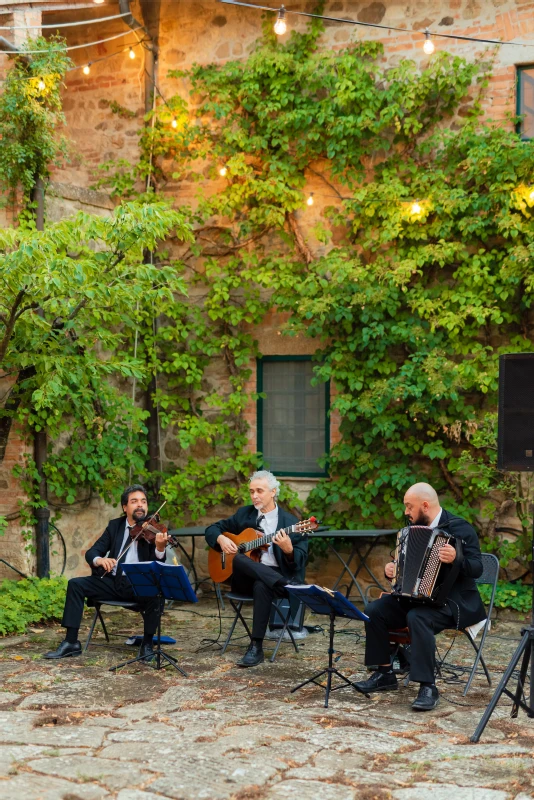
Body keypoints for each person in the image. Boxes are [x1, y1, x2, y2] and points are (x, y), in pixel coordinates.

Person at [354, 482, 486, 711]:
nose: (406, 512)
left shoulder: (460, 529)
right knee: (375, 610)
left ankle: (428, 687)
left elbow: (477, 568)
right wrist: (392, 570)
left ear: (425, 506)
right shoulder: (410, 530)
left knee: (418, 617)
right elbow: (403, 567)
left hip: (452, 600)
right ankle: (384, 673)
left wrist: (457, 558)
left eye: (409, 506)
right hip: (416, 597)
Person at [44, 484, 170, 661]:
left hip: (140, 586)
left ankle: (147, 645)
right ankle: (71, 642)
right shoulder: (115, 526)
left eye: (143, 501)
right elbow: (92, 553)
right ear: (125, 507)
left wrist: (160, 548)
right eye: (134, 501)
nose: (140, 505)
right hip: (114, 582)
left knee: (157, 593)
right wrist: (100, 560)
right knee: (75, 584)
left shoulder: (153, 531)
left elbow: (159, 565)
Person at [205, 470, 308, 667]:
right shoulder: (244, 514)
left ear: (273, 492)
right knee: (240, 561)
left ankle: (256, 647)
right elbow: (212, 529)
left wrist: (288, 551)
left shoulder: (293, 524)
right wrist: (221, 538)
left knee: (263, 584)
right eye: (252, 491)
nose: (254, 496)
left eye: (259, 491)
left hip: (275, 579)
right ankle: (277, 582)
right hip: (244, 580)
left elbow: (300, 560)